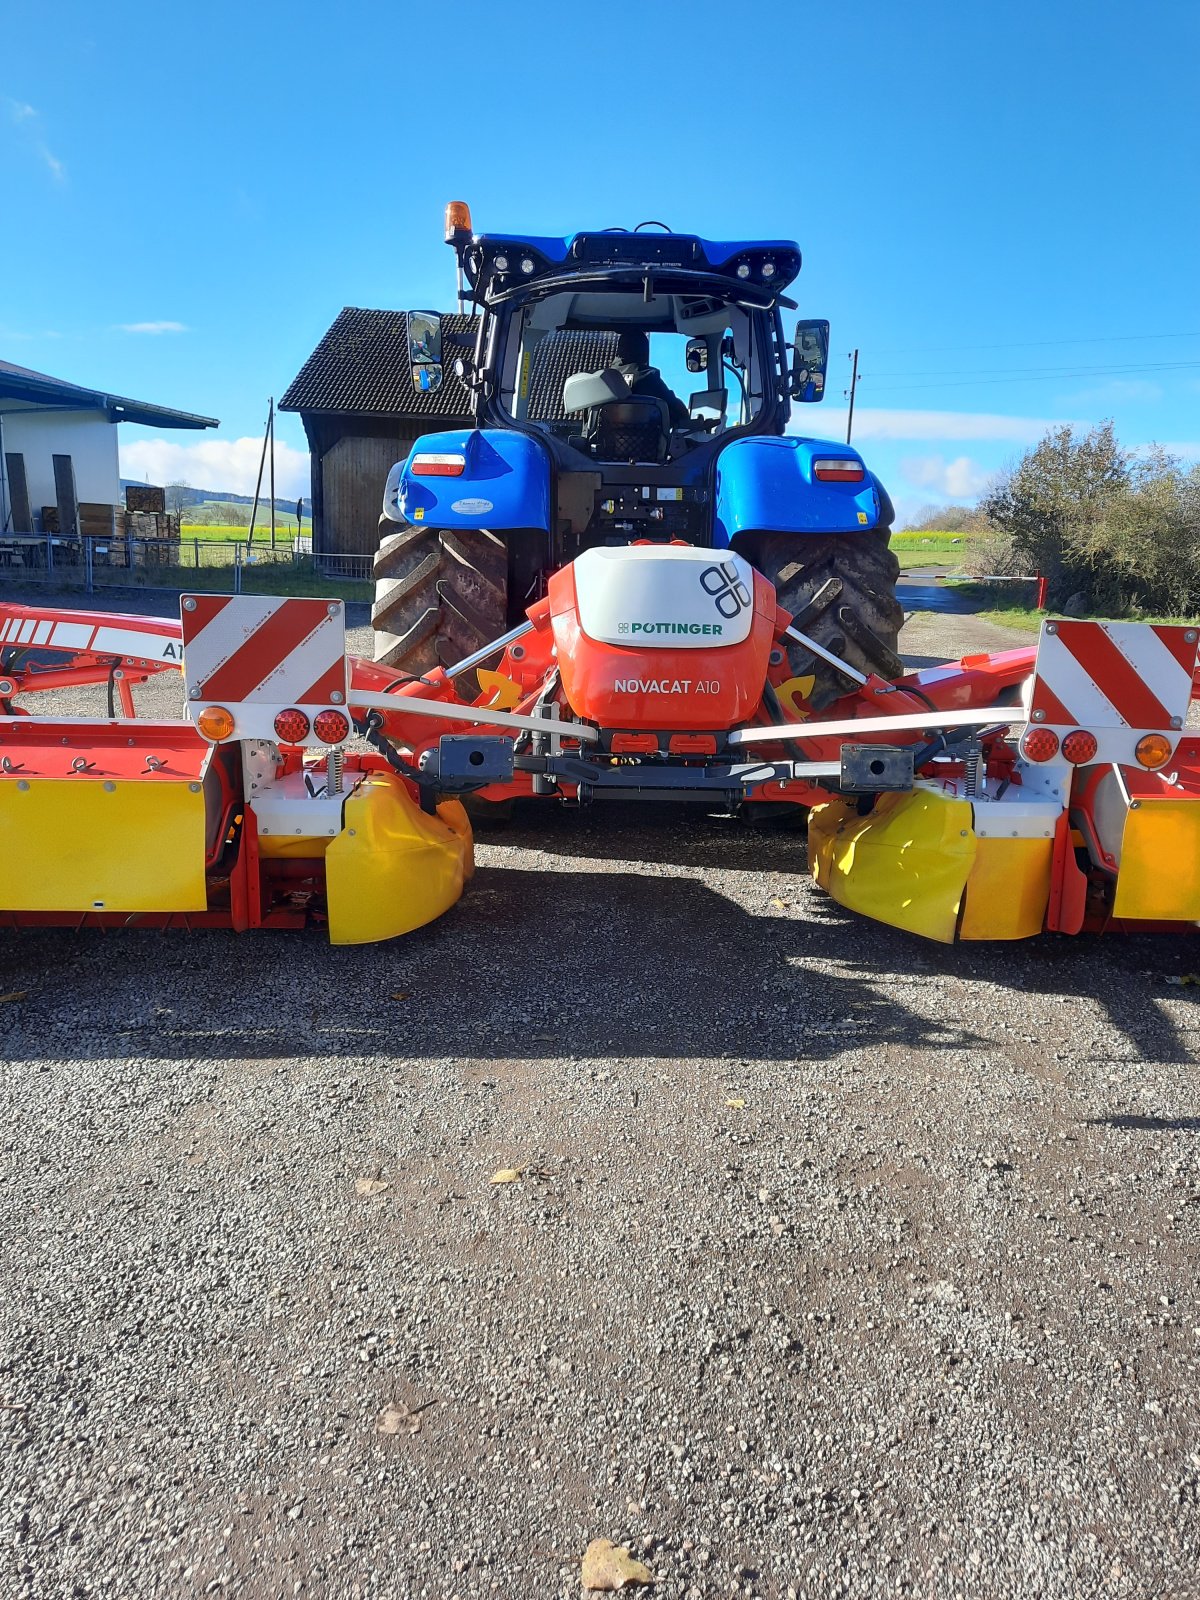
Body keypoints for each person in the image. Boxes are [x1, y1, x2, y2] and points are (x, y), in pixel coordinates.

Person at [611, 329, 689, 427]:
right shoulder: (650, 377)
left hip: (607, 441)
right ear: (644, 351)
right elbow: (677, 410)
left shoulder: (603, 380)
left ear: (619, 351)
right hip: (648, 441)